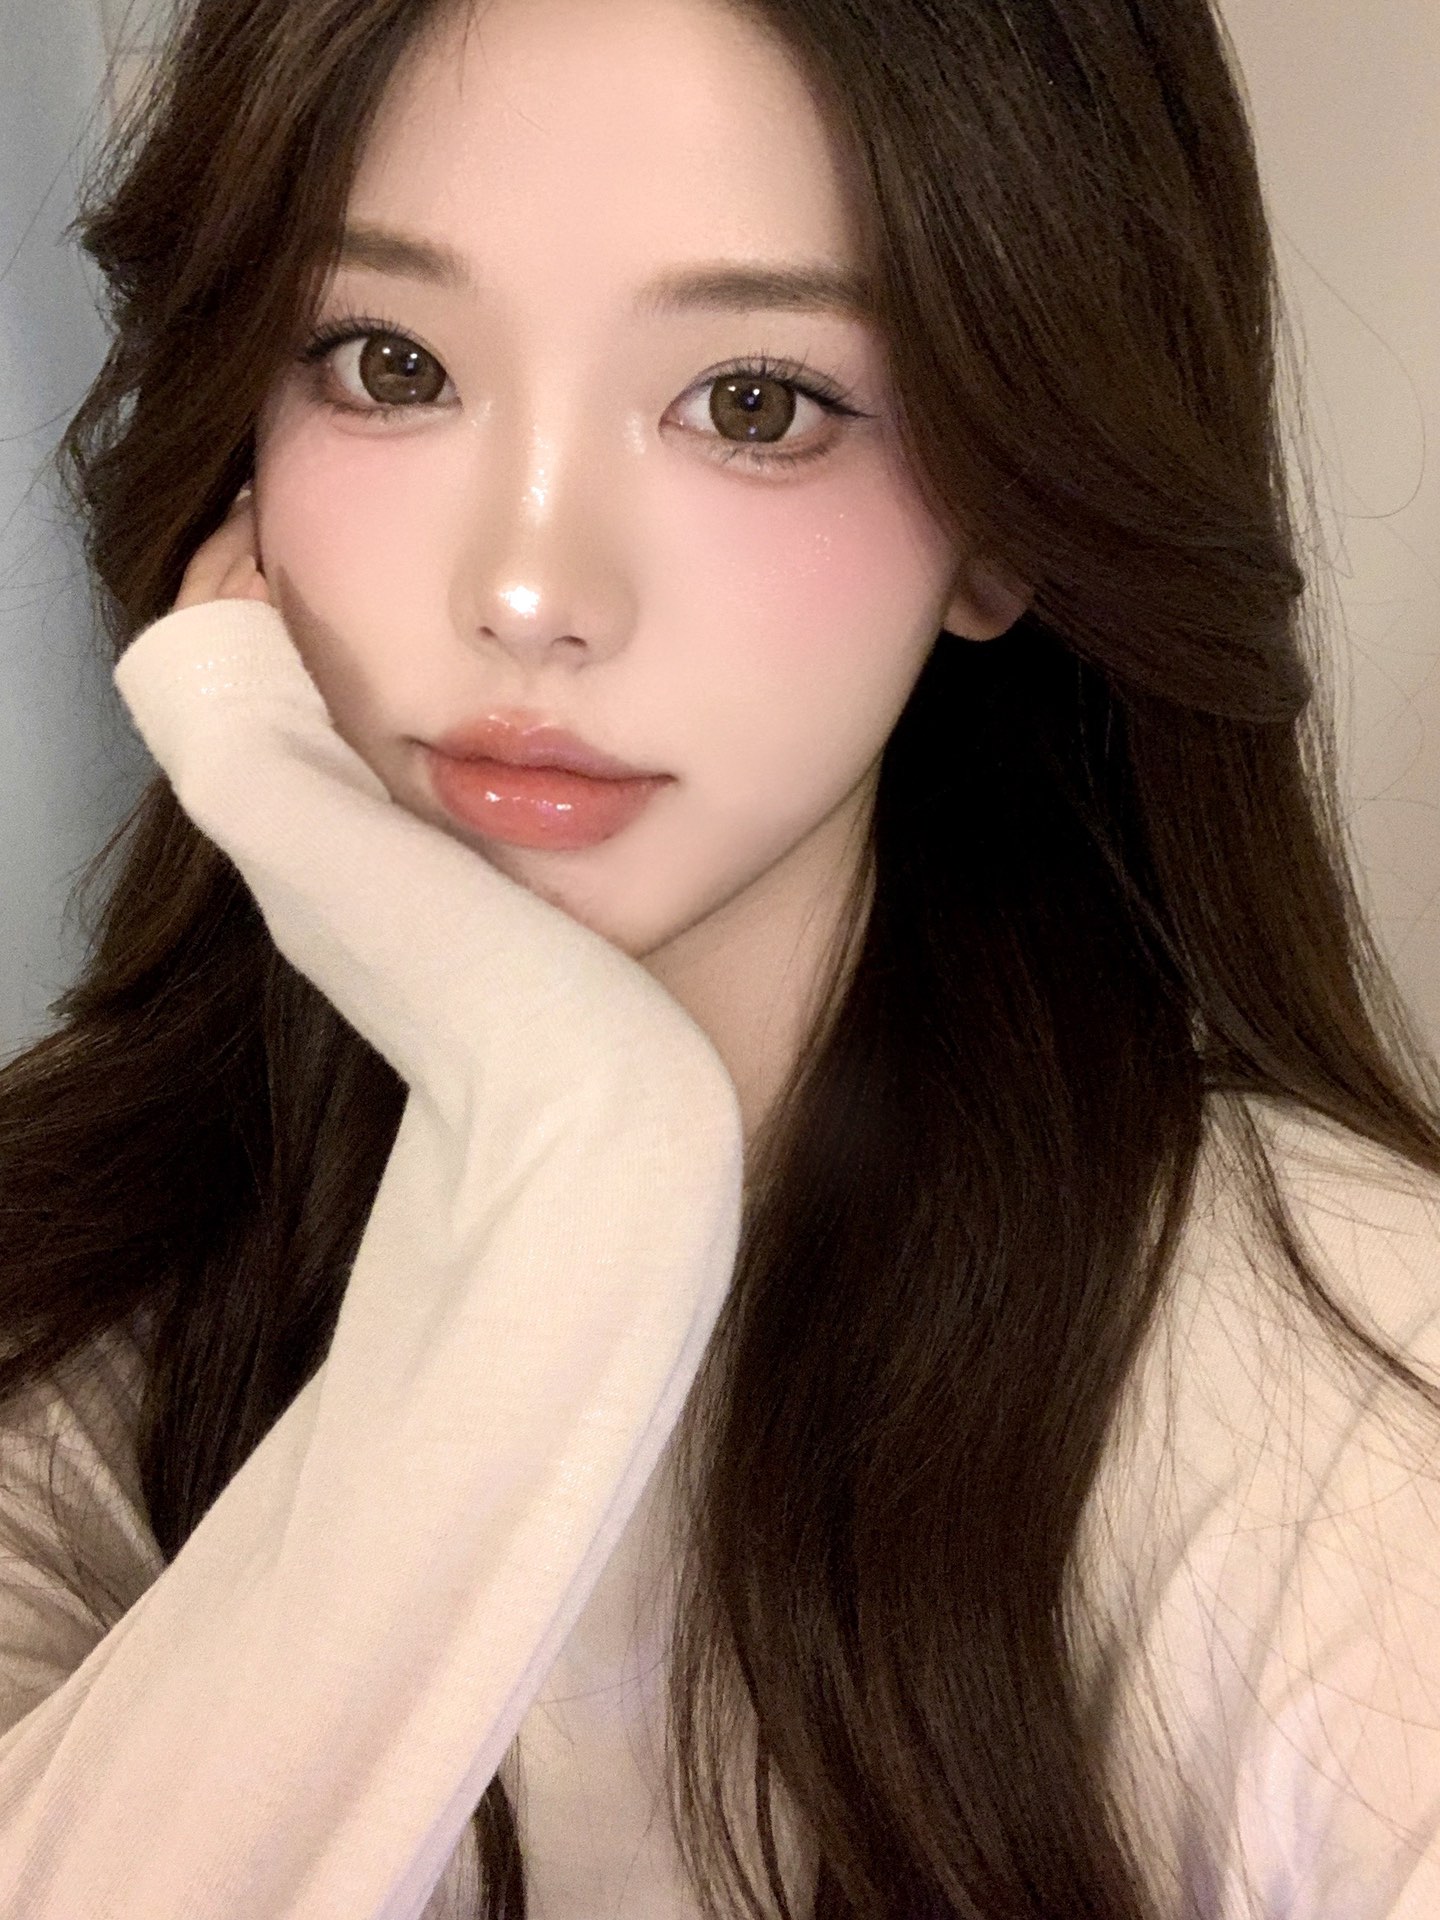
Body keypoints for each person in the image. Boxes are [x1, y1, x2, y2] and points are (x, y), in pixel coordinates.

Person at [0, 0, 1438, 1913]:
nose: (530, 589)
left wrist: (583, 1144)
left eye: (755, 403)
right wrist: (574, 1134)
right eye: (389, 362)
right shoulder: (79, 1307)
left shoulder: (1341, 1392)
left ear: (1009, 507)